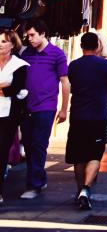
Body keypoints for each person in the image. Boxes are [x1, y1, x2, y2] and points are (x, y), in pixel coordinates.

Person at [66, 32, 107, 210]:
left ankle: (79, 190)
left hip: (78, 115)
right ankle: (86, 190)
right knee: (95, 154)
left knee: (78, 156)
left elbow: (71, 85)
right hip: (98, 115)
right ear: (98, 46)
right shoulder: (105, 65)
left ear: (81, 46)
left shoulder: (73, 65)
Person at [19, 19, 70, 199]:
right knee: (28, 146)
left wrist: (64, 109)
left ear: (42, 33)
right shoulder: (26, 53)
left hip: (46, 107)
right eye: (27, 36)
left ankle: (34, 186)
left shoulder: (57, 54)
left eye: (32, 35)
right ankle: (40, 177)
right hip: (26, 107)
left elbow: (65, 82)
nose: (30, 39)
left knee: (39, 145)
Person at [0, 30, 28, 204]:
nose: (0, 44)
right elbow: (7, 88)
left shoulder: (20, 65)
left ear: (12, 44)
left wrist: (7, 88)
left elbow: (15, 88)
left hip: (7, 116)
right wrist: (4, 87)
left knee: (1, 152)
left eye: (4, 41)